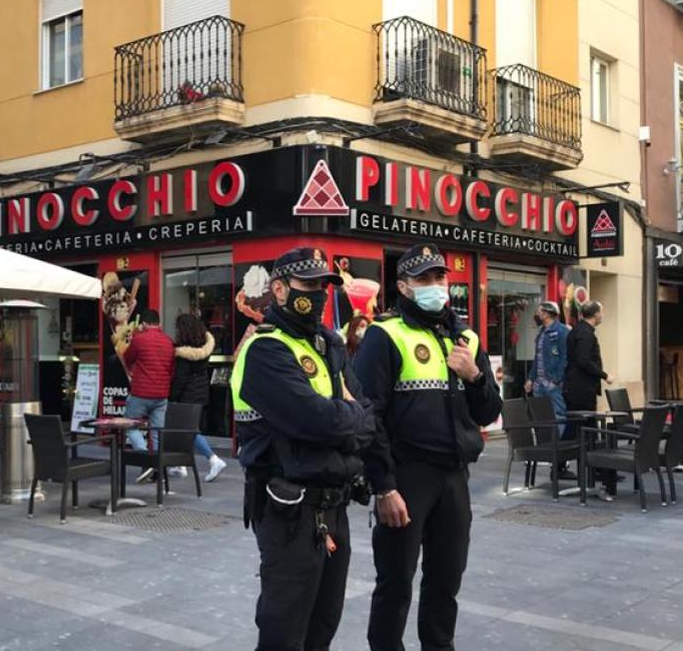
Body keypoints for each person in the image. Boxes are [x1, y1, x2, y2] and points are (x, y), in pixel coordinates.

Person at [357, 244, 502, 651]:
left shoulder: (466, 338)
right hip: (407, 476)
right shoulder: (385, 335)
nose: (436, 286)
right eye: (424, 279)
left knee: (446, 578)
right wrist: (384, 486)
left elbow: (489, 411)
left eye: (440, 277)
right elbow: (370, 417)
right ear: (403, 286)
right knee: (396, 580)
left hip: (454, 476)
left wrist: (474, 375)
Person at [231, 246, 374, 651]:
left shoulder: (329, 345)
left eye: (324, 286)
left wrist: (346, 418)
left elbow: (369, 418)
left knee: (322, 627)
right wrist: (348, 415)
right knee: (284, 633)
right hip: (289, 512)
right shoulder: (266, 349)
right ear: (278, 290)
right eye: (308, 285)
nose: (318, 294)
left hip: (335, 508)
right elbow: (314, 421)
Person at [565, 300, 616, 501]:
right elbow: (583, 361)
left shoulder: (578, 331)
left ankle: (590, 471)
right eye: (601, 312)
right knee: (588, 432)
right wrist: (605, 375)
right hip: (581, 390)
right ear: (595, 314)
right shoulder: (585, 334)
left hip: (575, 389)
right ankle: (593, 473)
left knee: (581, 431)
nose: (602, 316)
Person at [168, 313, 227, 483]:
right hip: (201, 393)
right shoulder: (205, 346)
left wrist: (172, 396)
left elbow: (181, 378)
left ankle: (213, 459)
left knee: (189, 430)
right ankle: (181, 465)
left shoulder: (184, 353)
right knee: (185, 429)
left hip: (188, 394)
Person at [121, 309, 176, 483]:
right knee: (157, 432)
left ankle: (146, 459)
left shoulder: (139, 339)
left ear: (143, 324)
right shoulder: (169, 342)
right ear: (159, 324)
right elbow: (172, 370)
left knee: (130, 425)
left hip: (141, 393)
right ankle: (157, 469)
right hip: (161, 394)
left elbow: (127, 358)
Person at [525, 301, 569, 436]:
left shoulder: (562, 331)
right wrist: (531, 379)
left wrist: (556, 379)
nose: (537, 314)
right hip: (539, 384)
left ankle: (559, 450)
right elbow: (537, 358)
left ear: (546, 314)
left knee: (558, 415)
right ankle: (546, 448)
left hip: (553, 384)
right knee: (541, 417)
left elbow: (565, 357)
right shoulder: (542, 333)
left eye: (539, 311)